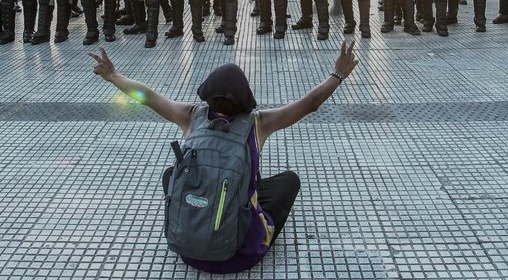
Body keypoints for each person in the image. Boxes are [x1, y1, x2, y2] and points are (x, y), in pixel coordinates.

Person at [88, 40, 360, 274]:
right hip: (240, 253)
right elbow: (310, 104)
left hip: (188, 250)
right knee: (289, 181)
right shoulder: (259, 123)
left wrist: (113, 75)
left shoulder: (190, 116)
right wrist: (337, 74)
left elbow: (146, 96)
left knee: (172, 174)